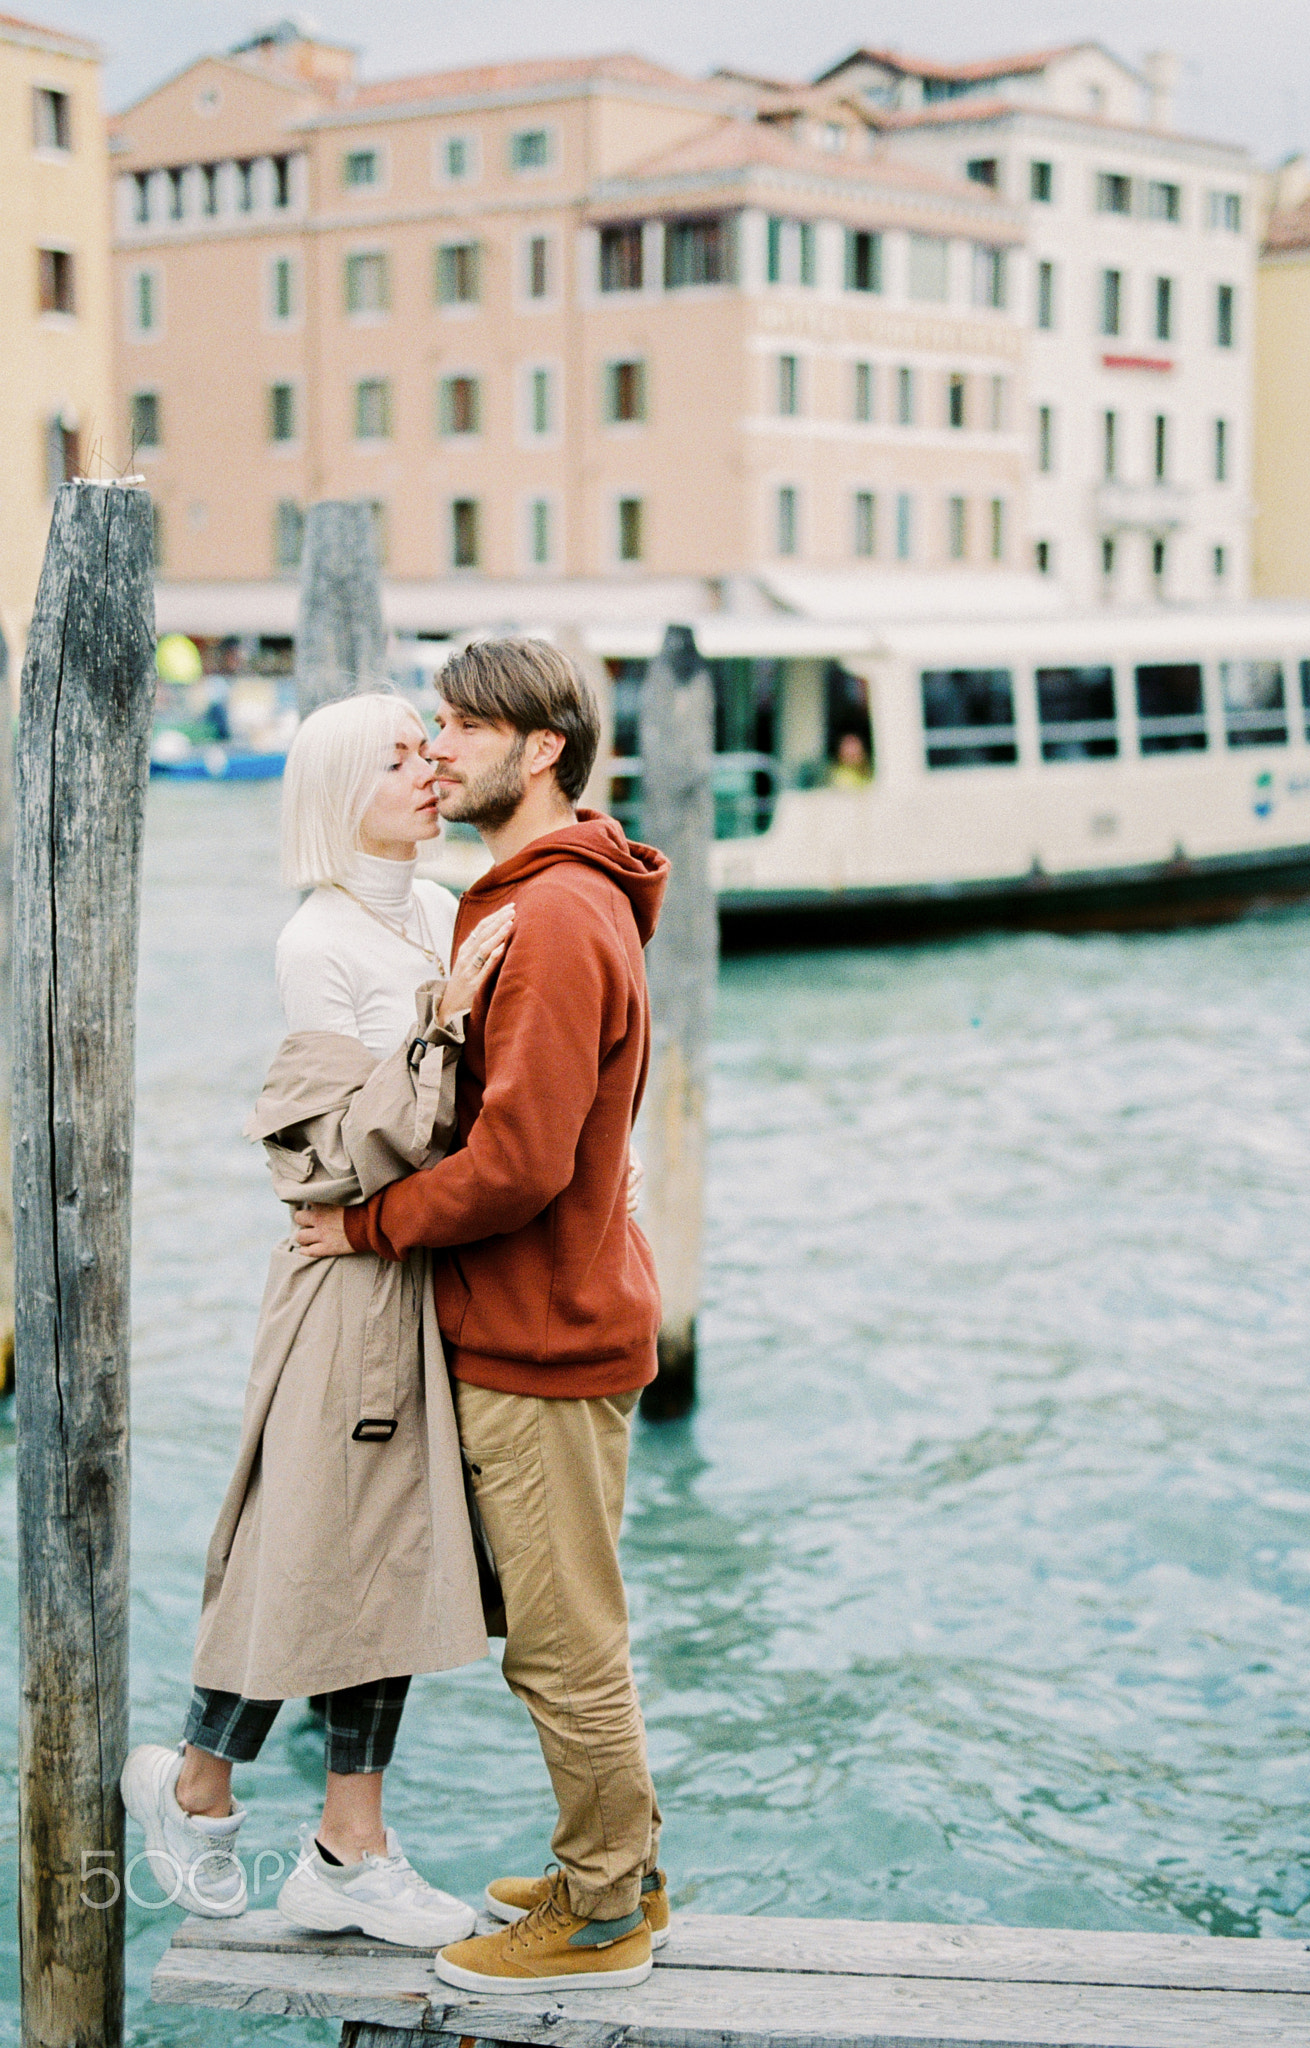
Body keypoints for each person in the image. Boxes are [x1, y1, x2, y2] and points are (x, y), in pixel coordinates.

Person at [296, 639, 670, 1994]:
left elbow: (517, 1163)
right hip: (547, 1322)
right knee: (567, 1632)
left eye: (462, 727)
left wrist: (364, 1222)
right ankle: (614, 1862)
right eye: (436, 726)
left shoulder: (559, 915)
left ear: (543, 749)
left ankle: (598, 1915)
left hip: (544, 1339)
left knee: (566, 1650)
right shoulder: (544, 898)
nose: (438, 749)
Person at [121, 691, 514, 1948]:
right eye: (396, 757)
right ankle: (194, 1781)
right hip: (344, 1280)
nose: (426, 768)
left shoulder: (454, 909)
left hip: (426, 1270)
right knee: (305, 1540)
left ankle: (348, 1840)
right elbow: (336, 1155)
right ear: (339, 788)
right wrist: (444, 1013)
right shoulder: (320, 941)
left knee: (385, 1556)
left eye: (425, 750)